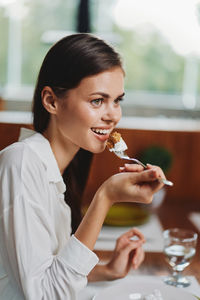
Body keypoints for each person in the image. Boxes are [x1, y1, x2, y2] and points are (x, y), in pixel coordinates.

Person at [0, 33, 165, 300]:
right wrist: (106, 196)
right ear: (52, 101)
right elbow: (47, 295)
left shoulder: (54, 170)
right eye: (97, 100)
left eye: (117, 100)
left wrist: (108, 270)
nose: (112, 115)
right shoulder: (20, 164)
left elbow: (50, 272)